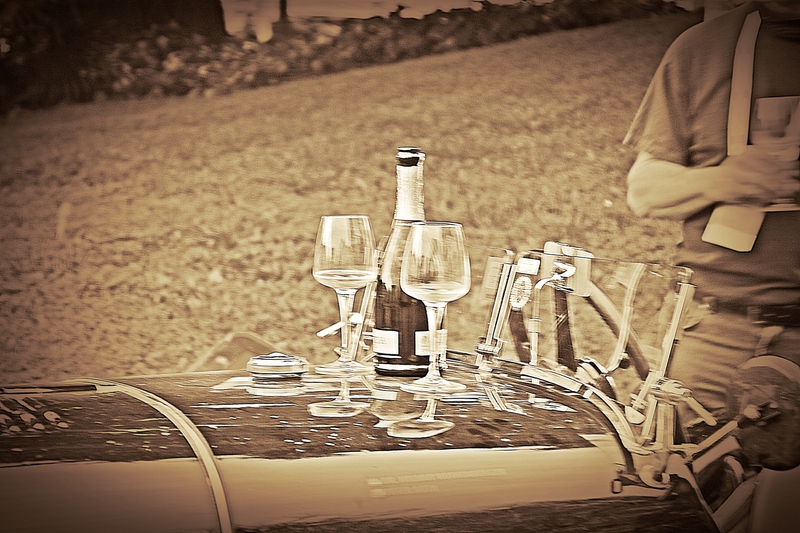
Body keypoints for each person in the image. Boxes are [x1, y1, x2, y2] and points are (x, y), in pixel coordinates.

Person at [624, 1, 800, 530]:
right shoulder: (702, 50)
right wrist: (723, 179)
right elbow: (644, 190)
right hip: (713, 334)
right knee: (679, 504)